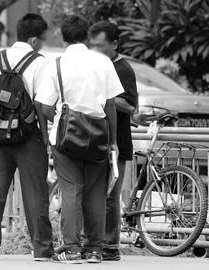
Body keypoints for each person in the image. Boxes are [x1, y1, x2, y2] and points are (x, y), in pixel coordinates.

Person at [35, 15, 125, 264]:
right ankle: (95, 249)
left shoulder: (57, 64)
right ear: (87, 36)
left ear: (63, 37)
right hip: (98, 136)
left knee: (71, 191)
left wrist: (57, 119)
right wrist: (113, 141)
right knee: (96, 193)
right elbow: (110, 106)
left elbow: (43, 106)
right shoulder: (104, 62)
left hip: (66, 137)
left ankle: (72, 249)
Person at [0, 13, 54, 261]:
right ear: (33, 39)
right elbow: (41, 104)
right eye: (42, 39)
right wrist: (44, 136)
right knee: (35, 193)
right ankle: (41, 250)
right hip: (29, 138)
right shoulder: (39, 62)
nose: (43, 44)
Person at [89, 21, 138, 261]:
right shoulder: (91, 65)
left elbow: (130, 105)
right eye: (92, 46)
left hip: (118, 143)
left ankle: (110, 246)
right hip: (92, 139)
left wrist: (107, 96)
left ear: (115, 44)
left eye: (100, 46)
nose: (95, 50)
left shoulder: (123, 69)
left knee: (110, 196)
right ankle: (91, 243)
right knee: (92, 193)